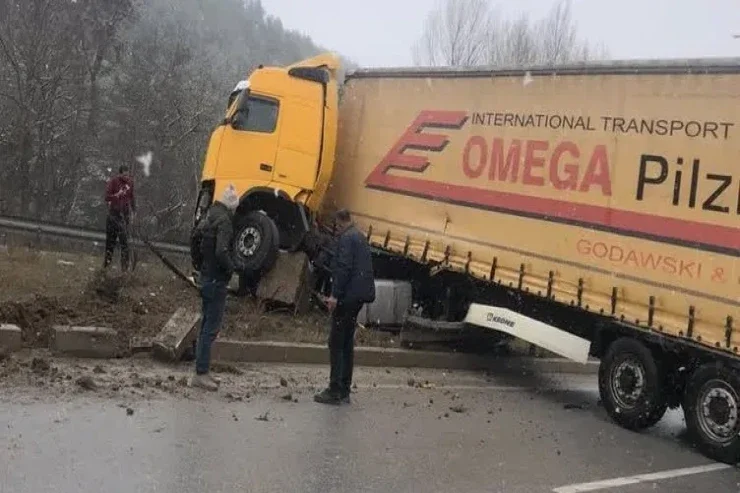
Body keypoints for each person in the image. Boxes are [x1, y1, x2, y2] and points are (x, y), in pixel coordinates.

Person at [314, 210, 376, 405]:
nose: (337, 229)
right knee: (347, 342)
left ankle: (334, 389)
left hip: (347, 298)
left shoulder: (346, 239)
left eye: (337, 225)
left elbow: (343, 268)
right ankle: (344, 389)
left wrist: (334, 295)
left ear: (340, 222)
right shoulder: (359, 237)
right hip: (357, 297)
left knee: (336, 342)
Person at [191, 185, 239, 391]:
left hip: (205, 275)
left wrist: (200, 265)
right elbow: (221, 251)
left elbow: (194, 240)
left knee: (205, 326)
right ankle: (201, 374)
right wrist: (233, 269)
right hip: (217, 279)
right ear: (232, 206)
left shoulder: (209, 216)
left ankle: (202, 370)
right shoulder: (225, 221)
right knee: (211, 329)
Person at [104, 165, 136, 271]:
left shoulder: (130, 183)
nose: (126, 177)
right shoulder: (113, 182)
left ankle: (124, 269)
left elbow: (132, 198)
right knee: (110, 244)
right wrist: (116, 195)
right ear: (120, 174)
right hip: (113, 215)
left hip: (124, 216)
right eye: (124, 175)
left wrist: (133, 211)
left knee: (125, 245)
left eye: (127, 175)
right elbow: (107, 197)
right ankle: (106, 267)